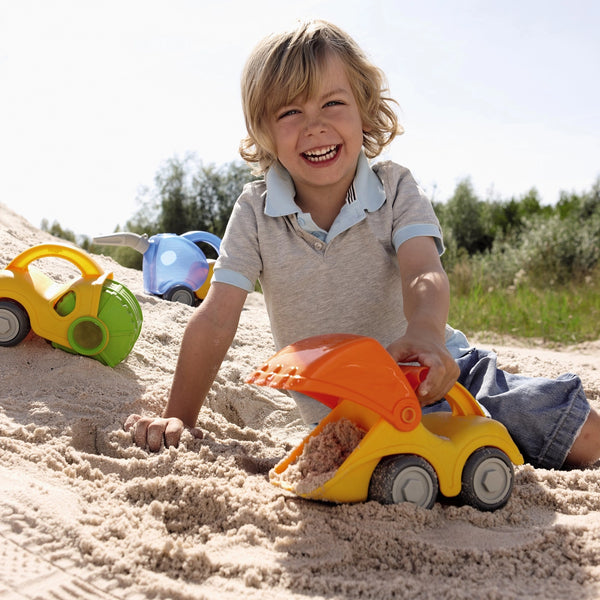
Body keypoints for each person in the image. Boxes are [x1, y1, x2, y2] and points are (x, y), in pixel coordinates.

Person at [126, 19, 600, 470]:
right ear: (264, 131)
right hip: (347, 413)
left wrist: (427, 334)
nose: (314, 126)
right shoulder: (255, 212)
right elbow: (215, 318)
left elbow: (423, 270)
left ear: (364, 110)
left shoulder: (394, 189)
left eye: (332, 104)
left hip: (434, 375)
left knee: (577, 435)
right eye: (290, 112)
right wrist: (179, 417)